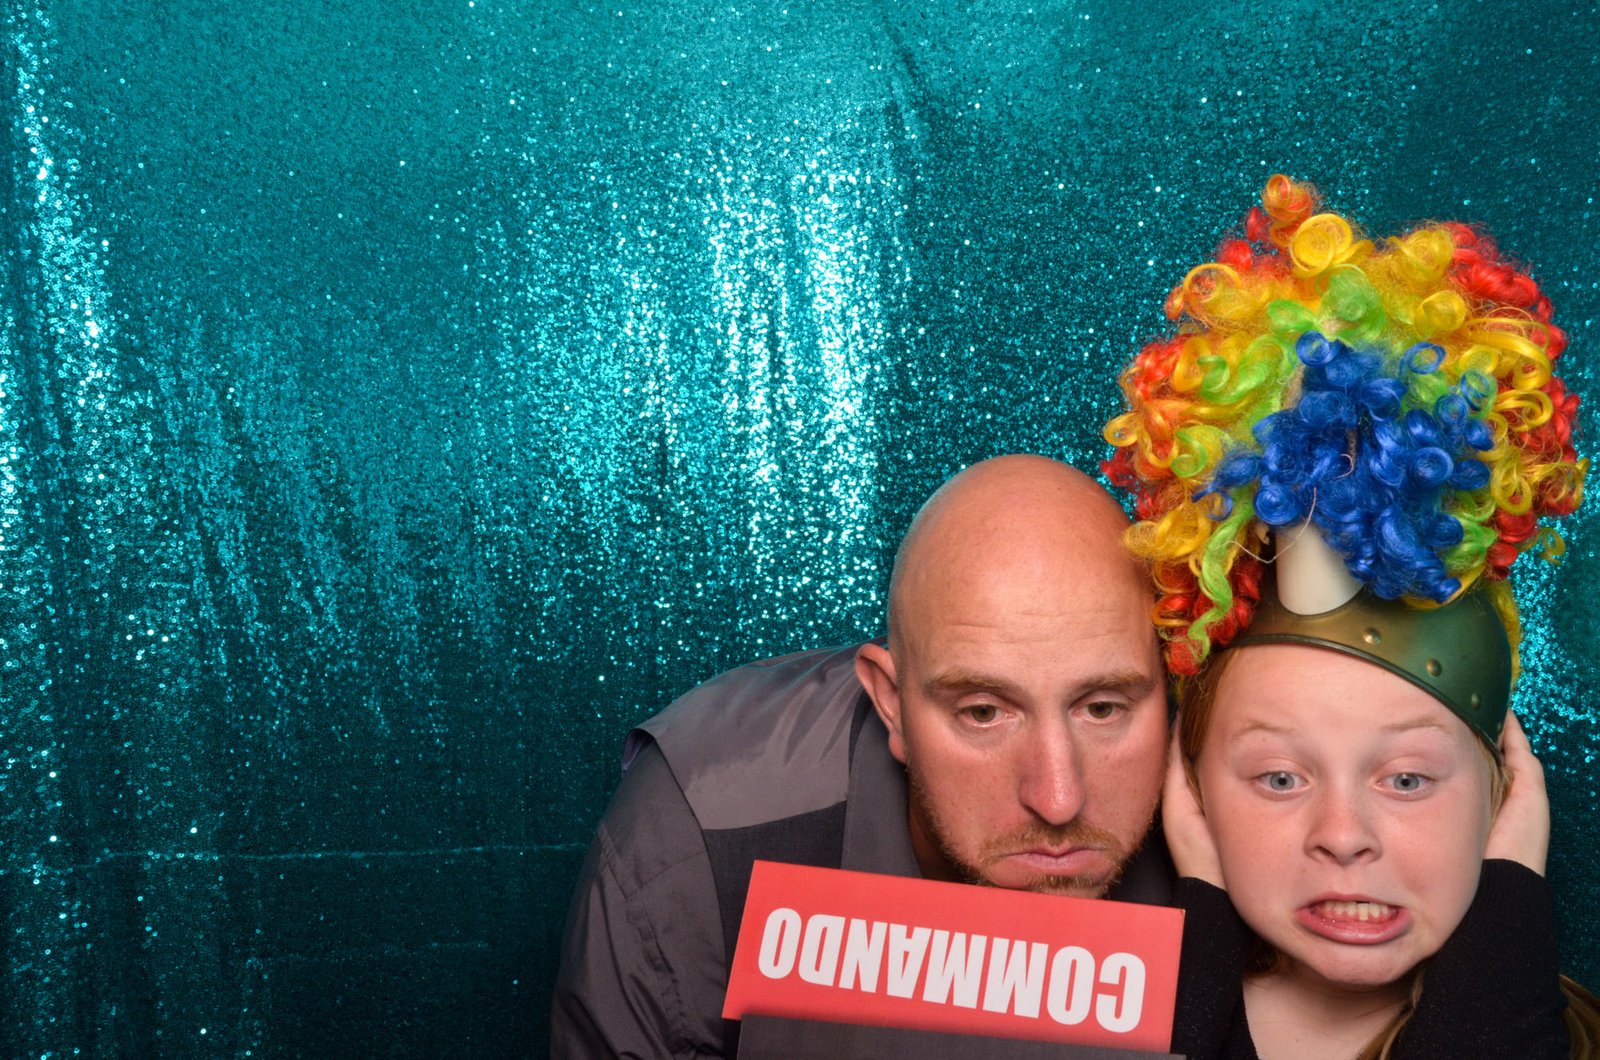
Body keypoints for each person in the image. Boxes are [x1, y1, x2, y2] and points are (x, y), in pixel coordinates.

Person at [1103, 174, 1600, 1058]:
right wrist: (1194, 964)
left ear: (1502, 789)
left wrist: (1500, 965)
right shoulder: (1085, 1031)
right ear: (1192, 787)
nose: (1342, 838)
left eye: (1407, 780)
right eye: (1278, 778)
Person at [550, 454, 1175, 1058]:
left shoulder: (1220, 795)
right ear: (891, 704)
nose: (1058, 799)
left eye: (1103, 708)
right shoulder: (700, 833)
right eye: (983, 712)